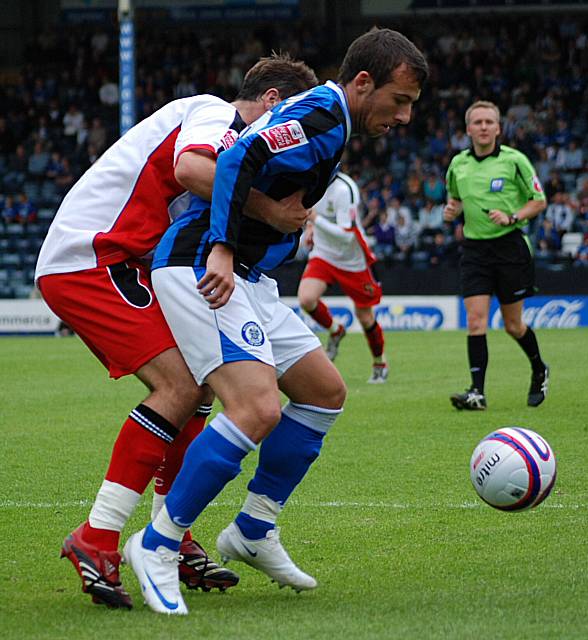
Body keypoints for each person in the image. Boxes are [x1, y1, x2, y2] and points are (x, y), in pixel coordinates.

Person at [122, 27, 428, 615]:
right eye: (400, 100)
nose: (405, 116)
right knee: (257, 407)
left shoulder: (329, 122)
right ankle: (156, 545)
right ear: (363, 83)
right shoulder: (320, 113)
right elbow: (238, 155)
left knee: (323, 392)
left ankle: (254, 528)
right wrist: (220, 246)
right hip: (201, 268)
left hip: (253, 279)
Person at [34, 54, 319, 609]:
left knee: (204, 383)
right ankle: (97, 537)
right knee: (180, 388)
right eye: (295, 119)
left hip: (123, 258)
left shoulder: (222, 129)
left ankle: (176, 536)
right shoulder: (216, 115)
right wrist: (266, 208)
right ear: (273, 103)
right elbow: (191, 169)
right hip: (91, 255)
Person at [443, 100, 549, 411]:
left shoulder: (516, 161)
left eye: (489, 122)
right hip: (475, 250)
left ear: (499, 128)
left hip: (510, 248)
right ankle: (477, 392)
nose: (484, 127)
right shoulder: (458, 164)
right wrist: (452, 210)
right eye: (478, 122)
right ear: (468, 129)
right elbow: (456, 199)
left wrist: (513, 216)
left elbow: (539, 201)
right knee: (476, 321)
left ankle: (539, 369)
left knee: (513, 325)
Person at [298, 172, 388, 383]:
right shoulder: (309, 181)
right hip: (324, 253)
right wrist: (311, 227)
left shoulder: (343, 189)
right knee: (306, 299)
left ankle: (379, 363)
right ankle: (335, 329)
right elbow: (311, 212)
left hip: (352, 259)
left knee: (365, 316)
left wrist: (315, 220)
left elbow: (348, 236)